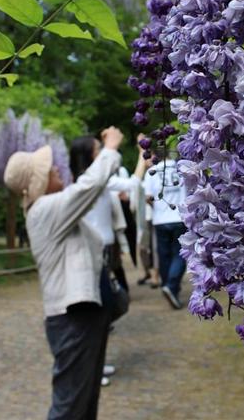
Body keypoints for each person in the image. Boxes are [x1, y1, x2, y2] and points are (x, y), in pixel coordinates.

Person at [3, 126, 123, 420]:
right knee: (69, 408)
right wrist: (109, 149)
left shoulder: (51, 211)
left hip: (84, 317)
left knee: (84, 404)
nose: (56, 167)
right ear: (37, 182)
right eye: (47, 168)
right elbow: (87, 189)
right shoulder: (44, 210)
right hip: (72, 321)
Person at [69, 134, 147, 385]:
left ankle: (97, 364)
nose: (102, 152)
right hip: (93, 256)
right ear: (90, 156)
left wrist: (141, 159)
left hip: (104, 253)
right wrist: (114, 147)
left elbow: (132, 185)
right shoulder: (86, 183)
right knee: (98, 312)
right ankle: (90, 368)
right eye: (98, 149)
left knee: (105, 311)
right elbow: (126, 182)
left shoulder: (98, 183)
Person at [143, 152, 187, 310]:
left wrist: (157, 208)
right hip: (180, 217)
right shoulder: (181, 167)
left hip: (160, 220)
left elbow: (147, 197)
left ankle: (169, 285)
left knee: (164, 255)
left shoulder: (152, 171)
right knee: (180, 254)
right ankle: (172, 285)